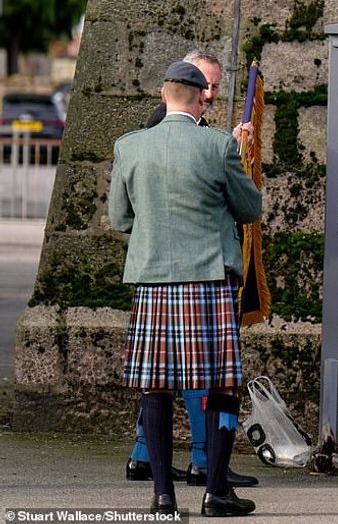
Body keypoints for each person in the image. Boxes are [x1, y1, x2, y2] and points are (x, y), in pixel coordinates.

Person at [110, 61, 262, 516]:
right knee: (221, 387)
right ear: (200, 98)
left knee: (155, 388)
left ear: (164, 94)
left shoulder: (129, 147)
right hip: (208, 278)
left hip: (154, 280)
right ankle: (216, 491)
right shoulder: (217, 146)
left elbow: (120, 219)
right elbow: (249, 207)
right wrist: (238, 155)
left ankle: (162, 497)